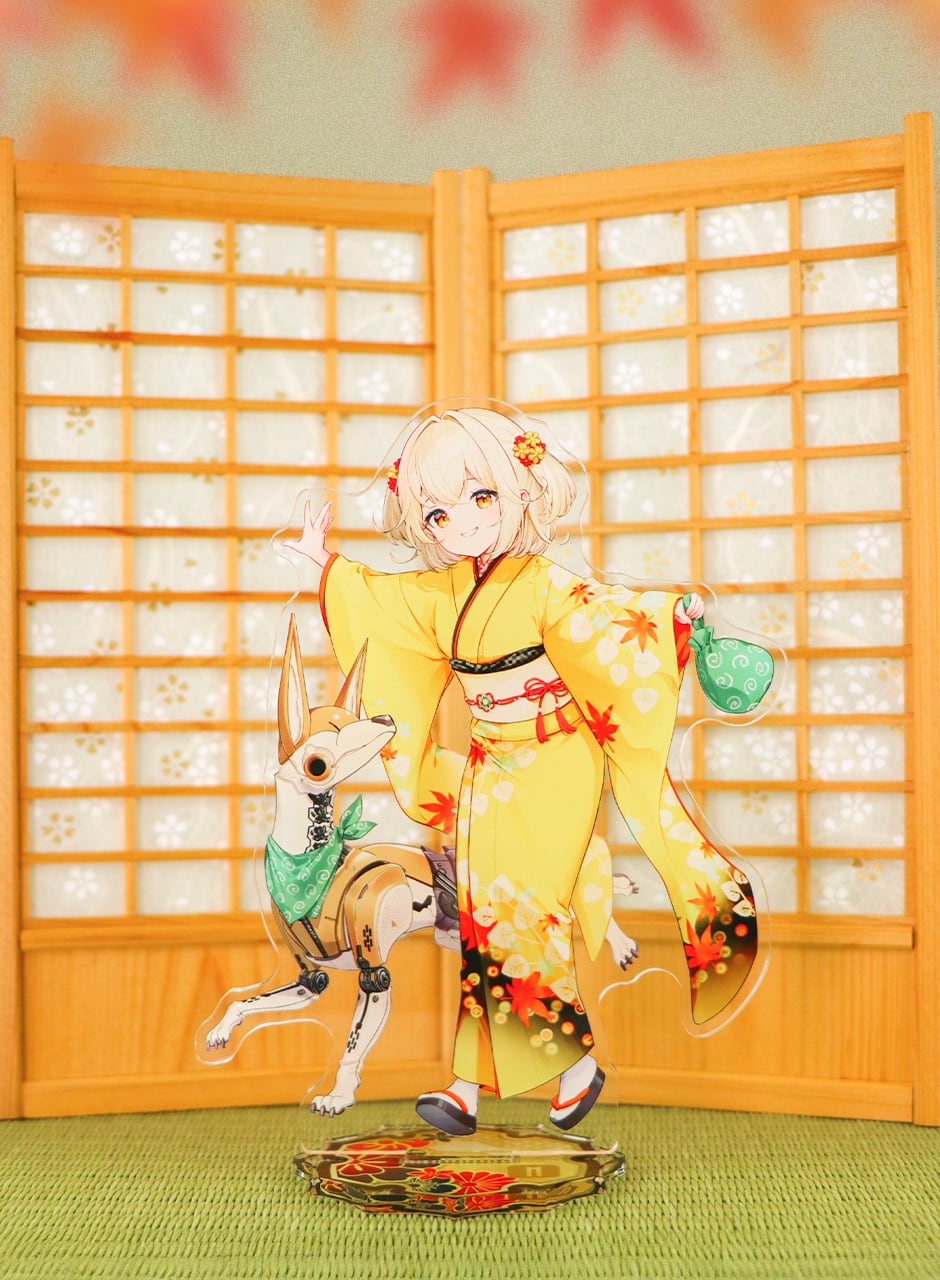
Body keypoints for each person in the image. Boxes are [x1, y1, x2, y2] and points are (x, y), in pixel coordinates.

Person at [282, 404, 762, 1135]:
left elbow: (613, 618)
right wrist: (326, 566)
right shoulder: (445, 592)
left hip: (556, 756)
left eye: (482, 497)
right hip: (491, 761)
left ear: (524, 490)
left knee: (527, 907)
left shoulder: (545, 585)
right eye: (439, 512)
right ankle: (481, 1083)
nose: (463, 523)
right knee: (484, 913)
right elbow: (383, 604)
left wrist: (674, 615)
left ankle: (551, 1070)